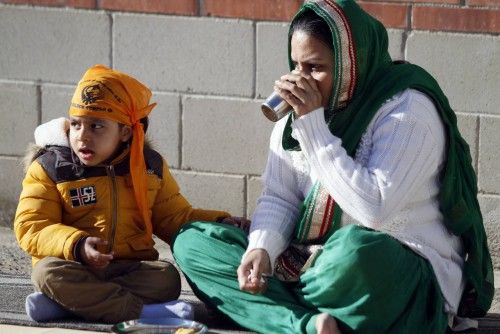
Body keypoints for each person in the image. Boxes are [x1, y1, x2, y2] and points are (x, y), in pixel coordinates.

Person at [172, 0, 494, 333]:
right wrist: (263, 249)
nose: (301, 80)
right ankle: (308, 326)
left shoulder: (407, 111)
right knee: (192, 242)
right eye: (296, 65)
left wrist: (314, 127)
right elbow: (280, 197)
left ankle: (274, 310)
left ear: (350, 63)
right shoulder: (300, 114)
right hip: (310, 262)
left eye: (314, 68)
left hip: (389, 270)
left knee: (354, 253)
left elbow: (373, 210)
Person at [14, 64, 246, 324]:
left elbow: (174, 217)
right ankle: (145, 314)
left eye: (96, 127)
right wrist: (76, 244)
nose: (82, 137)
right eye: (76, 125)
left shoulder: (149, 166)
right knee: (46, 273)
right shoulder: (50, 166)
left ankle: (65, 305)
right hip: (74, 265)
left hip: (129, 269)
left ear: (125, 131)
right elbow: (31, 226)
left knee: (167, 278)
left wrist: (218, 222)